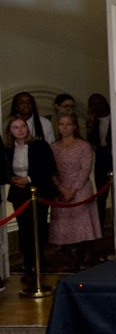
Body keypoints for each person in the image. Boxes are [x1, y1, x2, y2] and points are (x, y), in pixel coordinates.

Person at [49, 112, 102, 270]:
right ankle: (70, 258)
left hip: (81, 188)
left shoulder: (83, 145)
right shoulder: (53, 147)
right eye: (61, 124)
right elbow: (50, 170)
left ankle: (87, 256)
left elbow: (85, 168)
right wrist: (61, 188)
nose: (65, 128)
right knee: (65, 225)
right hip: (61, 189)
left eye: (68, 124)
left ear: (74, 126)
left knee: (82, 223)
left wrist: (73, 189)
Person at [4, 115, 56, 275]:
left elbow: (49, 168)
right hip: (18, 192)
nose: (20, 130)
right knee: (23, 228)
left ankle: (39, 261)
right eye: (15, 127)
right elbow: (5, 169)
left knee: (38, 227)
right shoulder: (8, 148)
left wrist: (28, 179)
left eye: (23, 126)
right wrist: (12, 179)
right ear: (10, 131)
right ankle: (27, 262)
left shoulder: (39, 145)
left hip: (37, 190)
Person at [85, 93, 112, 228]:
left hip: (113, 156)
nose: (98, 106)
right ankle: (99, 227)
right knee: (101, 195)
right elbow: (89, 140)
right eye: (94, 104)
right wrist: (90, 121)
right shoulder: (93, 121)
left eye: (99, 102)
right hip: (101, 158)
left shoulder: (115, 116)